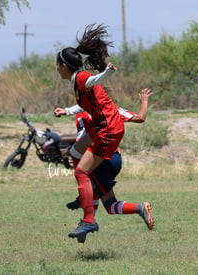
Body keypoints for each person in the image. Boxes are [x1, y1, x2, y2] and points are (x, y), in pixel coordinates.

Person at [55, 24, 129, 242]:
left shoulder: (81, 78)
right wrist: (66, 110)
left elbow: (92, 80)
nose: (56, 68)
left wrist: (106, 73)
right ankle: (84, 195)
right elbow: (86, 105)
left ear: (65, 66)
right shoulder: (76, 81)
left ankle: (88, 220)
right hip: (103, 127)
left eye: (57, 65)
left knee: (81, 173)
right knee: (75, 155)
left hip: (108, 129)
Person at [54, 88, 155, 243]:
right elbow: (141, 118)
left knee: (108, 204)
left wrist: (67, 150)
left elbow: (84, 139)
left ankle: (139, 208)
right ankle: (84, 223)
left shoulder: (81, 116)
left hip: (99, 158)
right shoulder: (114, 110)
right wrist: (144, 101)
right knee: (94, 187)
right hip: (116, 159)